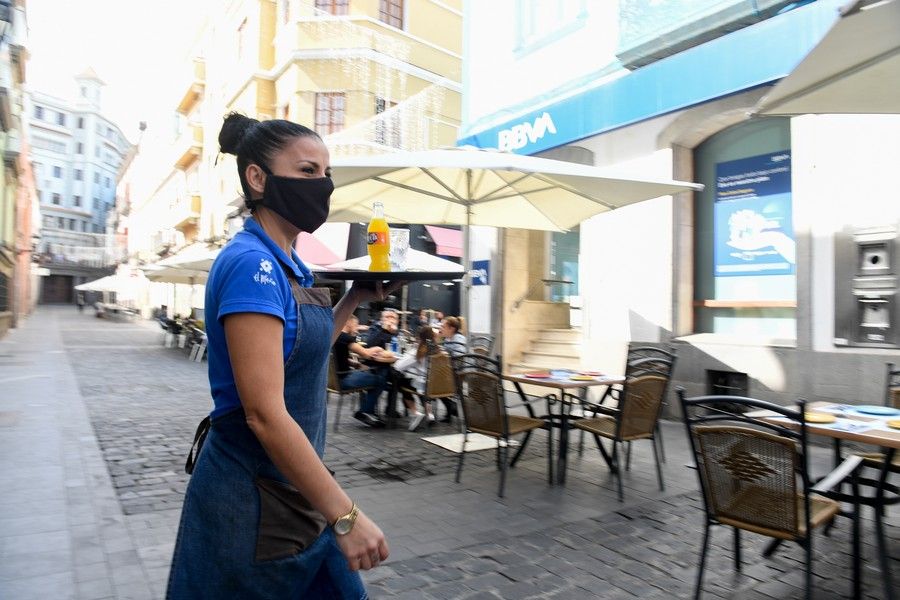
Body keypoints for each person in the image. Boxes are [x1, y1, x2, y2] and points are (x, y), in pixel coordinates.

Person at [167, 112, 402, 599]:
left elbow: (301, 353)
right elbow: (265, 414)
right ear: (257, 178)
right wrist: (346, 515)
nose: (323, 185)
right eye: (307, 171)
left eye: (326, 173)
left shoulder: (289, 263)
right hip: (252, 500)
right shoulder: (250, 265)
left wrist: (355, 299)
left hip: (296, 488)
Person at [333, 315, 390, 428]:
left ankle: (368, 411)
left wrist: (354, 363)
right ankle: (366, 411)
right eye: (355, 324)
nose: (357, 328)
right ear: (348, 323)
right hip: (344, 379)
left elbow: (337, 358)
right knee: (381, 378)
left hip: (335, 378)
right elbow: (366, 353)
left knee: (371, 374)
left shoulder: (334, 335)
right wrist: (379, 349)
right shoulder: (345, 337)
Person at [392, 326, 440, 431]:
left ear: (418, 337)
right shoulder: (438, 350)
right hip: (436, 385)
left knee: (401, 381)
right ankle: (429, 414)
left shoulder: (418, 351)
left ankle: (415, 413)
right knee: (417, 382)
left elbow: (398, 366)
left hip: (423, 385)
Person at [437, 316, 467, 422]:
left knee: (430, 383)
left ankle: (450, 407)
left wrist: (444, 353)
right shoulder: (448, 338)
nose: (441, 328)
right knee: (429, 380)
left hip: (457, 375)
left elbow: (459, 357)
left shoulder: (459, 339)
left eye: (443, 326)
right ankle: (451, 407)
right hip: (448, 372)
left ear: (451, 329)